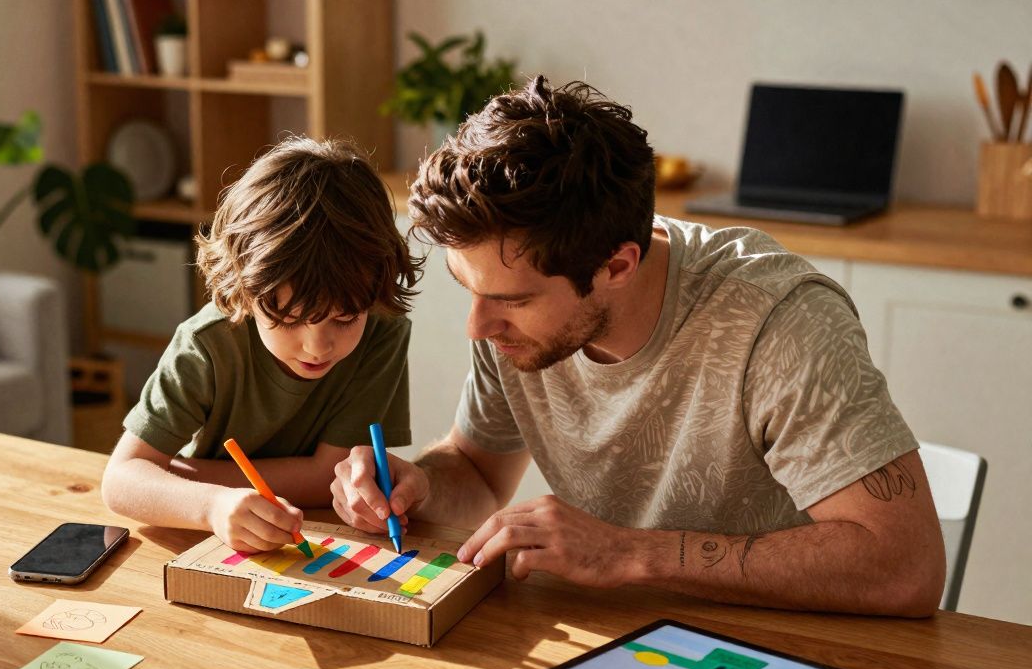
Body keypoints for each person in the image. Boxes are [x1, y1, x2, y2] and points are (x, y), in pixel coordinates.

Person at [329, 77, 946, 617]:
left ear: (617, 265)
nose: (478, 326)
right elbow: (480, 473)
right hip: (613, 634)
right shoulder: (508, 314)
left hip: (783, 652)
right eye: (468, 288)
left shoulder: (779, 324)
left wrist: (629, 553)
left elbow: (906, 568)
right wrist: (423, 485)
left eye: (513, 300)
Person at [103, 136, 420, 554]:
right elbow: (121, 480)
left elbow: (329, 476)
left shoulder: (382, 333)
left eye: (345, 319)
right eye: (289, 319)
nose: (317, 347)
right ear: (246, 291)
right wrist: (212, 506)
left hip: (326, 541)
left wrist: (189, 472)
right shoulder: (208, 344)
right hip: (208, 540)